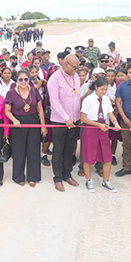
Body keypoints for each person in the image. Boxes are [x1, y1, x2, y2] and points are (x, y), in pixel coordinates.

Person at [47, 53, 83, 192]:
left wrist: (76, 116)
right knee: (58, 150)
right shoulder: (54, 78)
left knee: (69, 149)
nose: (76, 70)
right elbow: (54, 102)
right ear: (65, 64)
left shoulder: (75, 76)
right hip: (60, 121)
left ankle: (67, 174)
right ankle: (57, 178)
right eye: (74, 67)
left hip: (73, 121)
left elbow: (77, 96)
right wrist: (66, 118)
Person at [5, 69, 46, 187]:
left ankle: (33, 177)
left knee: (33, 150)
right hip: (18, 123)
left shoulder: (34, 91)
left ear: (29, 79)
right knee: (19, 150)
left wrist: (43, 126)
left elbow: (40, 109)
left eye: (26, 79)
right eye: (20, 79)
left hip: (33, 122)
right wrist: (14, 120)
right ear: (17, 80)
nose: (23, 82)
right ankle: (19, 177)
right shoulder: (11, 93)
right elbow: (7, 111)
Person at [80, 78, 121, 193]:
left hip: (103, 129)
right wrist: (98, 124)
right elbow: (83, 118)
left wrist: (115, 123)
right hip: (90, 129)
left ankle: (106, 181)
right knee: (88, 156)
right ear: (96, 88)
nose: (104, 92)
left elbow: (110, 114)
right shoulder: (88, 100)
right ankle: (88, 180)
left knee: (107, 156)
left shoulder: (106, 100)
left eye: (106, 90)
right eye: (102, 89)